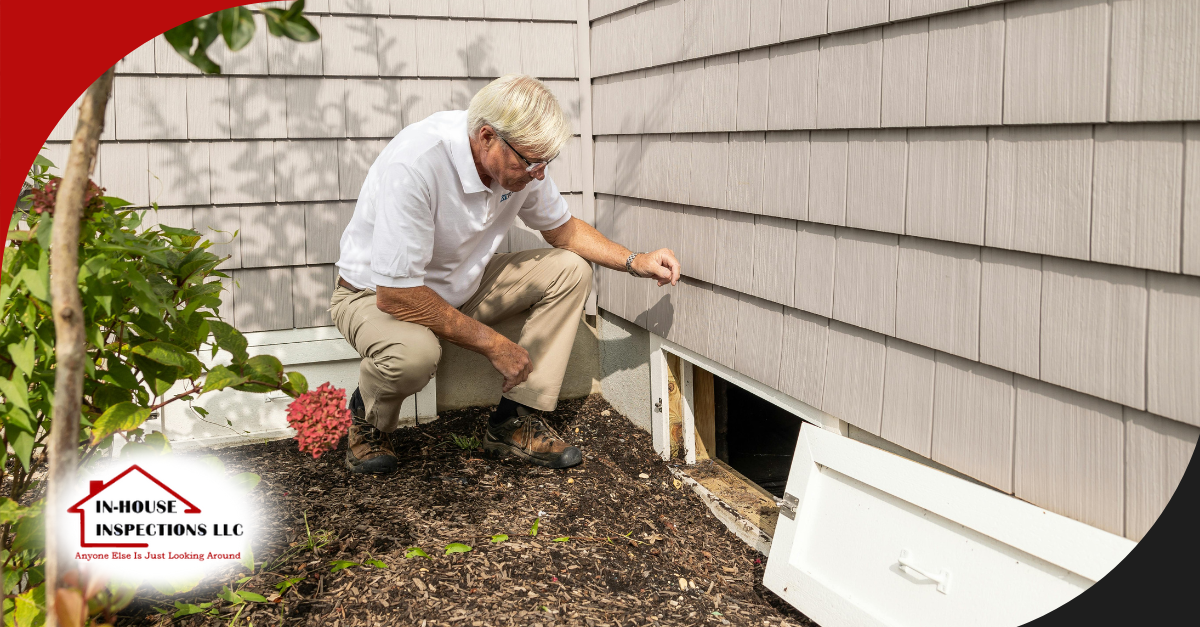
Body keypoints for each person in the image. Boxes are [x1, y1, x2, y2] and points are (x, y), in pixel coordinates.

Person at [331, 75, 681, 474]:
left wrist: (635, 261)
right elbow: (396, 295)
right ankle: (367, 419)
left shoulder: (521, 165)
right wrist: (495, 345)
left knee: (569, 269)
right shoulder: (417, 163)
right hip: (373, 294)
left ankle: (514, 422)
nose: (539, 175)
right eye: (530, 163)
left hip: (461, 287)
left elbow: (562, 231)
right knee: (414, 356)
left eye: (545, 163)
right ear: (486, 137)